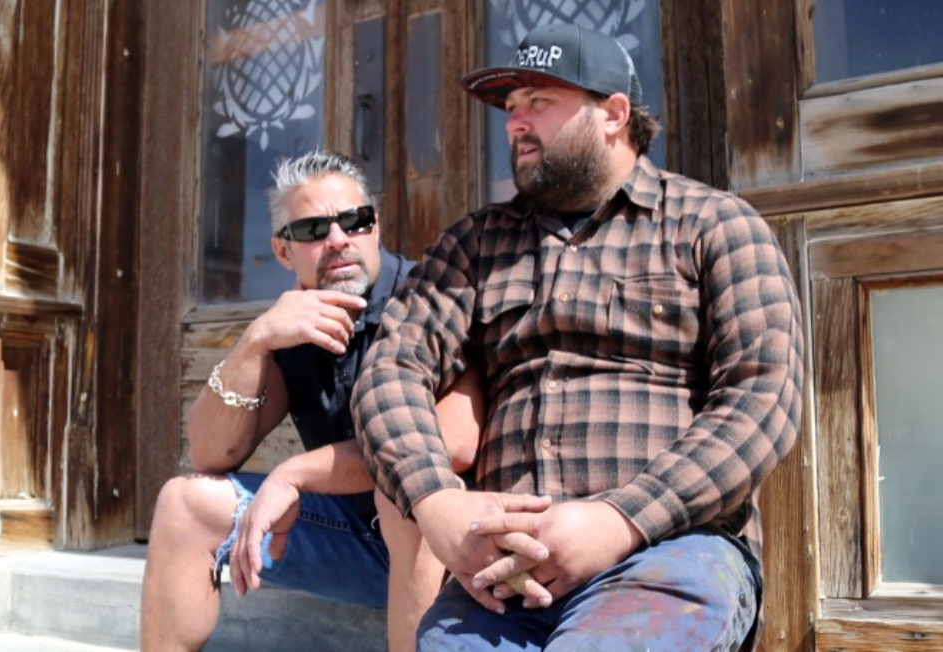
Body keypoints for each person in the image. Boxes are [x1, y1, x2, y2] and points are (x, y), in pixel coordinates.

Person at [352, 23, 804, 652]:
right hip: (506, 574)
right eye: (512, 108)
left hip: (668, 552)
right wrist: (435, 502)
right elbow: (389, 371)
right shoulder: (475, 244)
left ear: (614, 114)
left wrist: (619, 519)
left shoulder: (714, 225)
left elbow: (764, 399)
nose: (516, 122)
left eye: (539, 102)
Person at [140, 150, 481, 652]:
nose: (338, 239)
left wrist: (296, 473)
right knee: (183, 501)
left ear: (375, 226)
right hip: (351, 540)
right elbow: (210, 452)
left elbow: (453, 446)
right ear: (284, 251)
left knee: (409, 495)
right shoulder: (293, 322)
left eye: (354, 221)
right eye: (313, 230)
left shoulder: (431, 297)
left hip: (450, 549)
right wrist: (255, 341)